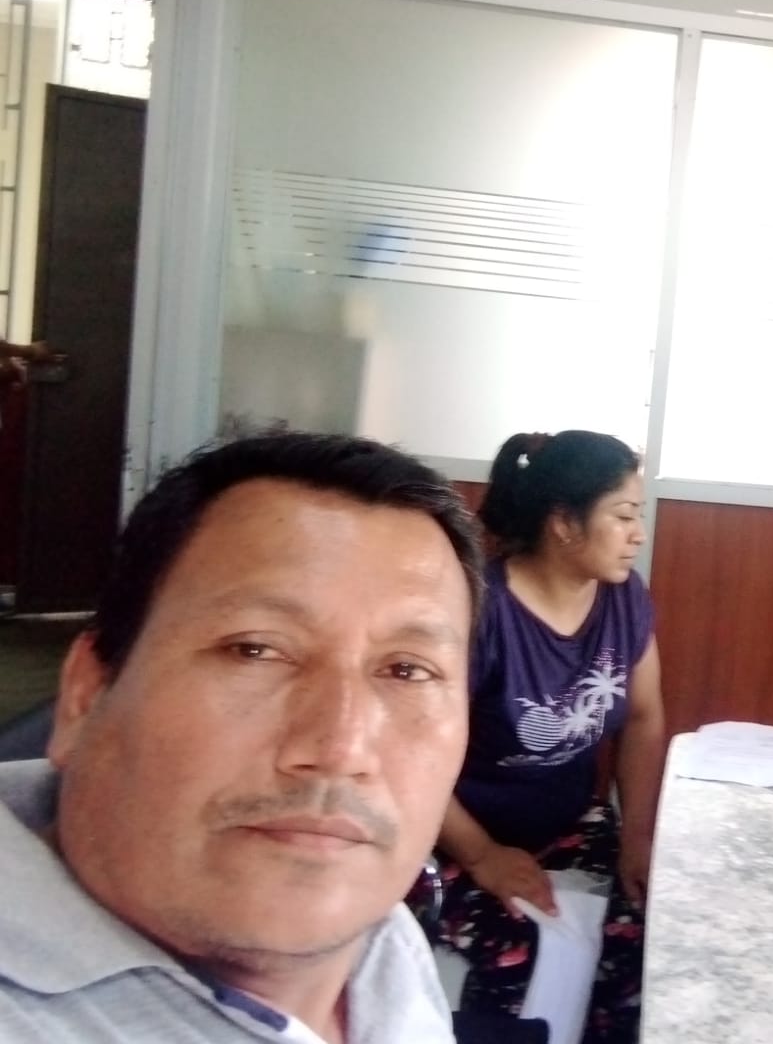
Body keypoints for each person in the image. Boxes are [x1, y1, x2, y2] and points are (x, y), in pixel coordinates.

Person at [0, 431, 484, 1042]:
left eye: (408, 670)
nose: (341, 749)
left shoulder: (380, 932)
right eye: (255, 650)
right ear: (86, 693)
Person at [436, 430, 666, 1041]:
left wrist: (637, 836)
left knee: (644, 943)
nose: (638, 535)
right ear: (564, 524)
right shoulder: (481, 613)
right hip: (458, 836)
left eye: (638, 516)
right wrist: (482, 856)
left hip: (569, 825)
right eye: (623, 515)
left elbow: (644, 718)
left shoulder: (624, 599)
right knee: (518, 961)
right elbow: (412, 753)